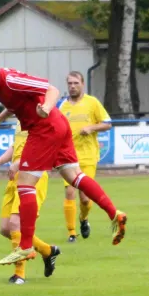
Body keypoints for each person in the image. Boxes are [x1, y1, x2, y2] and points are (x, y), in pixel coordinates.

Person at [0, 54, 127, 265]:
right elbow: (15, 105)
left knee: (24, 184)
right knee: (74, 177)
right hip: (55, 126)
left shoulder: (11, 79)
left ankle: (25, 247)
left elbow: (51, 90)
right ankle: (115, 214)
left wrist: (46, 108)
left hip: (45, 129)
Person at [0, 122, 61, 284]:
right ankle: (48, 251)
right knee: (6, 229)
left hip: (33, 175)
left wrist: (19, 163)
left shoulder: (42, 118)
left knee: (16, 224)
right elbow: (16, 146)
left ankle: (19, 274)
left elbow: (42, 148)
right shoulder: (21, 119)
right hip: (15, 177)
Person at [59, 71, 112, 242]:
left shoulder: (92, 102)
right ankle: (71, 232)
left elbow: (107, 124)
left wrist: (91, 128)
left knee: (85, 197)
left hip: (88, 156)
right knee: (69, 191)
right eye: (70, 83)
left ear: (82, 84)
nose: (72, 86)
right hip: (68, 156)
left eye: (76, 83)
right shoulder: (62, 106)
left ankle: (83, 219)